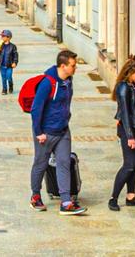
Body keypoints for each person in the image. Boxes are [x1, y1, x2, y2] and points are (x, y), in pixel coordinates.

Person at [30, 49, 84, 214]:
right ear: (63, 66)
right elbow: (36, 109)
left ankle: (66, 202)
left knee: (64, 163)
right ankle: (35, 196)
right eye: (73, 66)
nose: (75, 69)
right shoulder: (48, 83)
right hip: (45, 133)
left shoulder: (69, 81)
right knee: (41, 163)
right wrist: (39, 132)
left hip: (63, 131)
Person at [110, 56, 135, 211]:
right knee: (129, 165)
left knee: (134, 166)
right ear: (131, 72)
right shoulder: (123, 88)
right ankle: (113, 198)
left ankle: (131, 196)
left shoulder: (132, 86)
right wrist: (130, 136)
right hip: (130, 130)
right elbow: (125, 114)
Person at [0, 28, 19, 95]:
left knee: (9, 77)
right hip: (2, 65)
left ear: (8, 37)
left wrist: (15, 62)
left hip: (9, 65)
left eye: (3, 36)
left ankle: (11, 85)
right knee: (3, 78)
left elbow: (15, 55)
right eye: (1, 36)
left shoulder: (12, 46)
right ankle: (4, 89)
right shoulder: (0, 45)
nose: (1, 37)